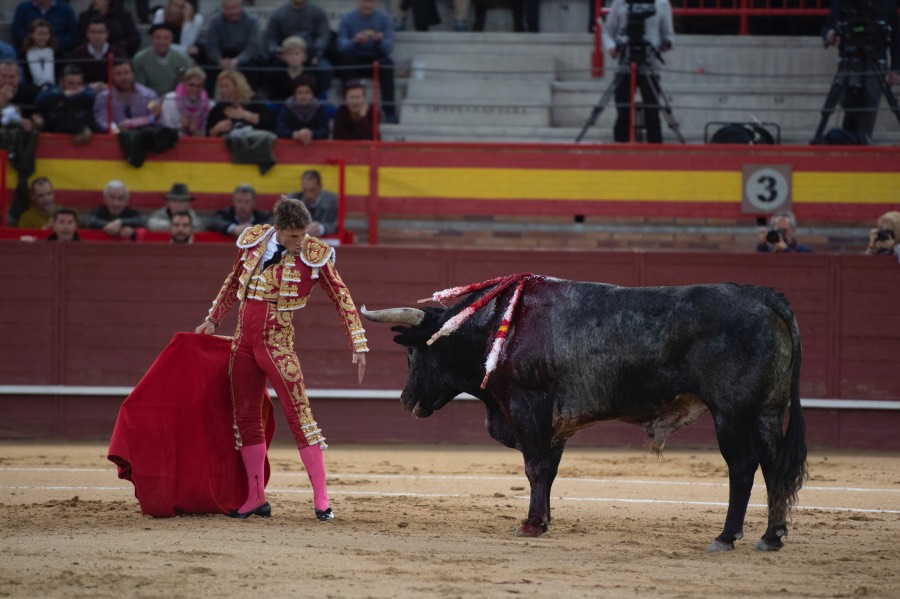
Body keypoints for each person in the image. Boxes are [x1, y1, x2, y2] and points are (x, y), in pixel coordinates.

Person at [194, 196, 368, 520]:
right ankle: (256, 497)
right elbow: (233, 282)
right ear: (278, 230)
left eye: (303, 235)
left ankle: (322, 501)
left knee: (300, 417)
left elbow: (342, 297)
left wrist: (357, 344)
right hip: (243, 344)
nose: (300, 242)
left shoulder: (315, 254)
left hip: (278, 345)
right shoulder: (253, 241)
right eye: (293, 236)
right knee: (246, 419)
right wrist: (213, 319)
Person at [821, 0, 900, 144]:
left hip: (875, 60)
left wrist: (895, 69)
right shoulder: (843, 3)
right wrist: (829, 35)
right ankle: (848, 140)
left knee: (868, 107)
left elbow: (896, 36)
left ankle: (862, 142)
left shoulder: (888, 3)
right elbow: (828, 27)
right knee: (846, 101)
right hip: (849, 59)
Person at [602, 0, 675, 143]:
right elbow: (607, 32)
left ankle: (655, 153)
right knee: (623, 112)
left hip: (650, 65)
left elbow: (669, 35)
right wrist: (612, 47)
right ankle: (621, 152)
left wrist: (663, 45)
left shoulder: (662, 3)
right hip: (625, 63)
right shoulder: (620, 3)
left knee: (652, 113)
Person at [336, 0, 398, 124]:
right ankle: (348, 108)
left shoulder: (384, 18)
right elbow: (340, 46)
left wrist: (379, 41)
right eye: (365, 1)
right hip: (355, 58)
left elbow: (388, 47)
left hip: (376, 58)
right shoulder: (348, 18)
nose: (368, 5)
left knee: (387, 64)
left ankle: (390, 111)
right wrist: (354, 41)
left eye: (371, 2)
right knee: (345, 62)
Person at [263, 0, 333, 98]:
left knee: (325, 70)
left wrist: (316, 54)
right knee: (273, 71)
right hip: (285, 54)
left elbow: (324, 35)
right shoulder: (278, 14)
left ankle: (322, 100)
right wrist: (278, 52)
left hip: (312, 54)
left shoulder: (319, 12)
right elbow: (270, 39)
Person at [202, 0, 262, 93]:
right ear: (222, 8)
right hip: (222, 55)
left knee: (252, 68)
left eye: (234, 8)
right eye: (228, 8)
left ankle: (251, 100)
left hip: (243, 56)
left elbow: (252, 46)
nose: (232, 12)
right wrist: (220, 60)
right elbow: (211, 45)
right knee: (209, 67)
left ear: (241, 7)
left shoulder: (252, 21)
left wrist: (237, 61)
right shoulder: (215, 21)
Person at [93, 59, 161, 132]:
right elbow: (102, 121)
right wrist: (115, 128)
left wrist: (134, 123)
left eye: (126, 73)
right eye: (118, 74)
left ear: (133, 74)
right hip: (115, 137)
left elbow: (153, 116)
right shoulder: (104, 97)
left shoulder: (147, 95)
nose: (123, 78)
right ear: (112, 76)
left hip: (144, 136)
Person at [34, 65, 96, 143]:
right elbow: (40, 100)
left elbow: (90, 96)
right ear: (61, 82)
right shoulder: (53, 90)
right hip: (56, 135)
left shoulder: (87, 92)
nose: (75, 87)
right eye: (71, 83)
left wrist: (66, 97)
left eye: (79, 83)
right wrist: (63, 95)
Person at [206, 70, 275, 136]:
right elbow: (207, 135)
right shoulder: (218, 109)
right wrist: (217, 129)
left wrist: (244, 115)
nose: (222, 90)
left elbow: (269, 125)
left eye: (226, 86)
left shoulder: (253, 102)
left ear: (238, 86)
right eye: (221, 86)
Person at [133, 23, 193, 98]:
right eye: (158, 37)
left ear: (171, 40)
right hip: (147, 100)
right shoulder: (140, 59)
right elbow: (140, 87)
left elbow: (180, 84)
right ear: (151, 39)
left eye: (166, 38)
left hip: (173, 100)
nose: (162, 42)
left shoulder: (182, 60)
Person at [70, 17, 128, 88]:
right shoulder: (77, 54)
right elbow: (73, 79)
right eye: (93, 32)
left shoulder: (118, 53)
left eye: (101, 32)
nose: (97, 36)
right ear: (87, 34)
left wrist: (108, 86)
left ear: (107, 34)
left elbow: (123, 78)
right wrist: (88, 87)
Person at [276, 75, 329, 143]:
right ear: (294, 94)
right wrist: (295, 134)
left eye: (307, 92)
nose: (303, 96)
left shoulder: (319, 108)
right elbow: (280, 130)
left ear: (313, 94)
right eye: (299, 92)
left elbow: (325, 132)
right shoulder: (287, 108)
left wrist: (311, 134)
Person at [160, 66, 211, 136]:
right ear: (184, 84)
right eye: (191, 85)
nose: (194, 90)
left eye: (198, 86)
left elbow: (206, 134)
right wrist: (181, 126)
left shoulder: (208, 104)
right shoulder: (170, 100)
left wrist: (196, 131)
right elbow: (166, 130)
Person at [11, 0, 78, 54]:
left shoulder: (66, 10)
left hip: (58, 54)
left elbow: (72, 34)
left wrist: (54, 45)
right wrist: (32, 43)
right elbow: (17, 30)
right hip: (29, 52)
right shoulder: (23, 9)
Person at [207, 184, 273, 237]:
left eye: (247, 202)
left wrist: (255, 229)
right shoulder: (225, 213)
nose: (242, 205)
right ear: (234, 202)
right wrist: (233, 229)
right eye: (239, 201)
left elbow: (274, 222)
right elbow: (213, 222)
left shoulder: (263, 216)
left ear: (254, 203)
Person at [287, 169, 338, 236]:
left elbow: (339, 224)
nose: (308, 194)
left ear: (320, 186)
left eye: (312, 190)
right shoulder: (294, 200)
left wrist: (322, 228)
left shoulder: (333, 201)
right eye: (305, 190)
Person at [268, 36, 314, 102]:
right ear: (284, 57)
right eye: (290, 54)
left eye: (297, 53)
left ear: (304, 56)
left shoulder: (312, 73)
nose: (293, 57)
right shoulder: (276, 73)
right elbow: (273, 97)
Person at [22, 18, 58, 90]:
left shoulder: (57, 53)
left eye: (45, 34)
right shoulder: (24, 54)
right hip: (32, 90)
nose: (42, 37)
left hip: (54, 89)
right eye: (39, 34)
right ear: (32, 35)